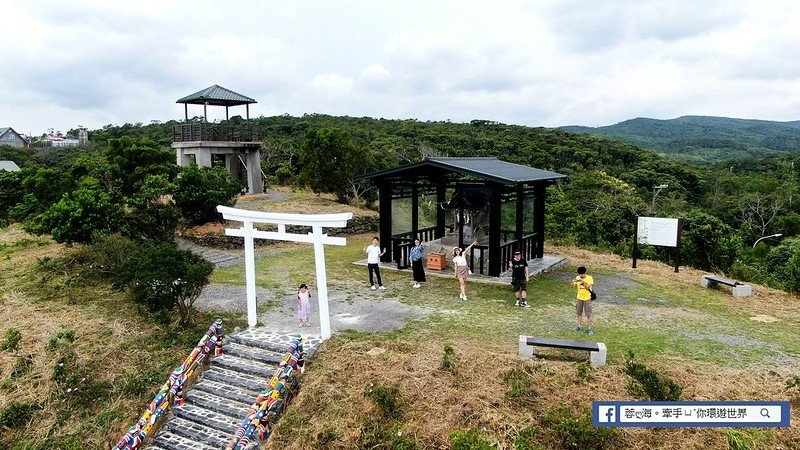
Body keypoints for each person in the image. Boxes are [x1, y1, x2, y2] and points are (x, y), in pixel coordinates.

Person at [571, 266, 595, 335]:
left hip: (587, 298)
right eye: (580, 274)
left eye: (582, 274)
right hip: (579, 298)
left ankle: (590, 328)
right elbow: (572, 286)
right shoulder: (577, 277)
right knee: (579, 312)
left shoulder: (590, 278)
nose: (581, 276)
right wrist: (573, 281)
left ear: (585, 273)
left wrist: (583, 282)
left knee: (588, 314)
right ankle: (578, 325)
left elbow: (588, 288)